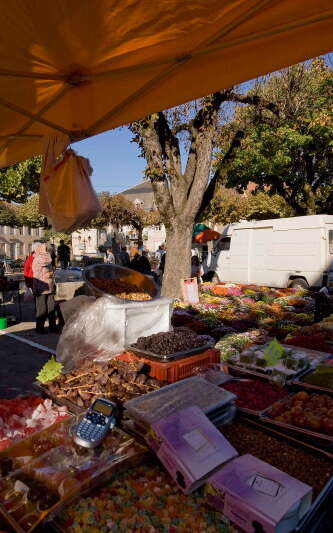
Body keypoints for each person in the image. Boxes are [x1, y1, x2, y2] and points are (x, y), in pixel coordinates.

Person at [32, 243, 57, 333]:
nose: (48, 251)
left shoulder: (45, 257)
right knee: (42, 309)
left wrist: (51, 273)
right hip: (41, 287)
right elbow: (46, 261)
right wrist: (44, 251)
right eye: (47, 249)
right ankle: (40, 328)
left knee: (51, 308)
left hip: (49, 286)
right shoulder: (39, 258)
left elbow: (49, 266)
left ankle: (53, 327)